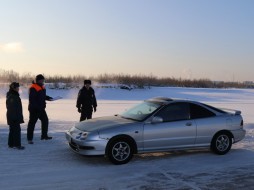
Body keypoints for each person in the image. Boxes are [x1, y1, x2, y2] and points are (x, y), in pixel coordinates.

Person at [27, 74, 53, 144]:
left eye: (43, 80)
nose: (43, 81)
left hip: (41, 108)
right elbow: (32, 99)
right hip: (34, 109)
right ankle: (29, 139)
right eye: (41, 80)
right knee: (32, 124)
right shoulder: (33, 87)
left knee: (45, 121)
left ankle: (44, 136)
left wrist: (48, 98)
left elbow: (42, 96)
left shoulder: (42, 87)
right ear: (38, 80)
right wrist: (37, 108)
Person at [6, 82, 25, 150]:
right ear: (13, 88)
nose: (18, 88)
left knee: (12, 130)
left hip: (13, 115)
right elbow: (11, 107)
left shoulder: (14, 95)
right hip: (13, 116)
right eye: (17, 87)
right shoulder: (12, 96)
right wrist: (14, 117)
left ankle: (11, 144)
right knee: (16, 130)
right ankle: (17, 145)